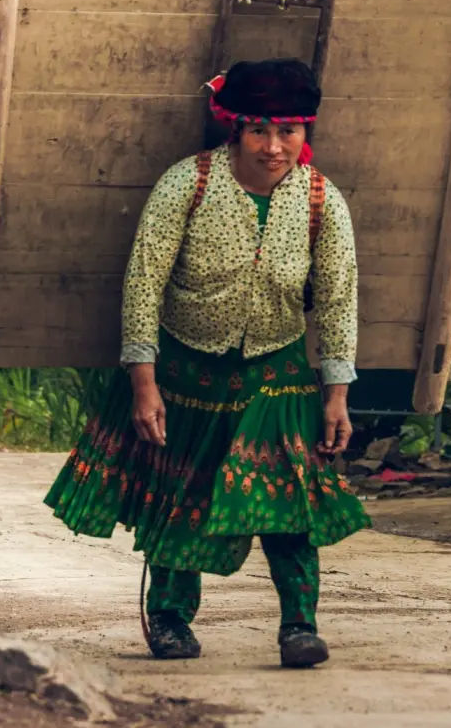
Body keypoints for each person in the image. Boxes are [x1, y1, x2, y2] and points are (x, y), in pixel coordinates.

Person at [45, 58, 370, 668]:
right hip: (187, 374)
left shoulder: (323, 200)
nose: (274, 147)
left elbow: (337, 298)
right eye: (259, 131)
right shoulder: (188, 185)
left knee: (290, 505)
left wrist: (336, 394)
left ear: (306, 133)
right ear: (234, 130)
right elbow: (144, 282)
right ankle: (169, 619)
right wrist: (144, 385)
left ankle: (299, 626)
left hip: (277, 374)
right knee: (181, 496)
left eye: (289, 131)